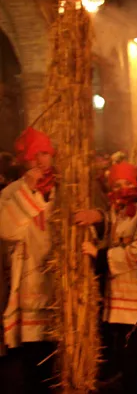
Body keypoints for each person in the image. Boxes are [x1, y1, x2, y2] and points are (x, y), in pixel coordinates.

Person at [76, 162, 137, 394]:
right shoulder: (118, 209)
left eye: (127, 183)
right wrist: (97, 216)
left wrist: (99, 254)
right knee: (127, 359)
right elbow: (111, 226)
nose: (123, 189)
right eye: (117, 185)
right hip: (120, 302)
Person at [0, 128, 57, 393]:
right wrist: (29, 191)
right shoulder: (12, 192)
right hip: (30, 281)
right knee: (34, 358)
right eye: (34, 155)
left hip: (60, 283)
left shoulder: (67, 188)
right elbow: (7, 230)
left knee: (59, 357)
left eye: (44, 153)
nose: (39, 161)